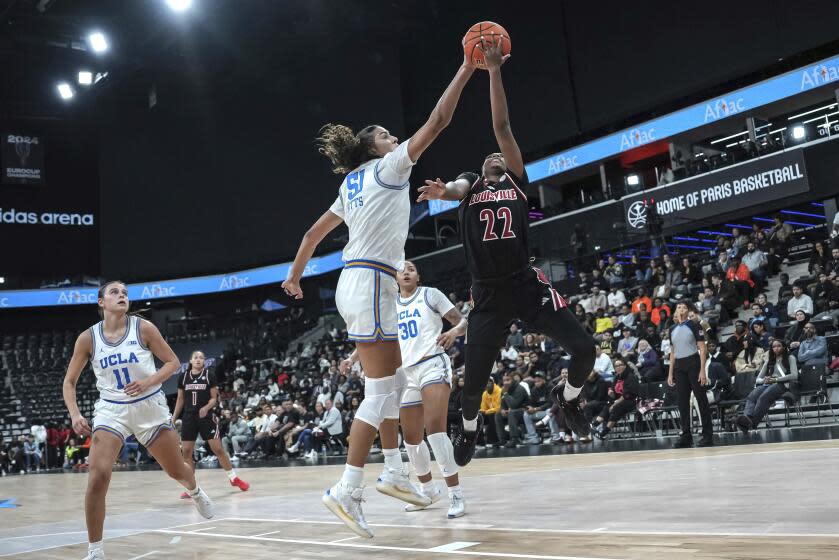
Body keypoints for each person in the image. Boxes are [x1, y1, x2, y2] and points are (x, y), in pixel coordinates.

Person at [280, 42, 475, 537]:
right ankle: (349, 486)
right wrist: (466, 67)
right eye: (388, 135)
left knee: (383, 386)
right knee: (386, 388)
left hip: (355, 282)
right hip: (370, 280)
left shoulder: (350, 184)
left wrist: (295, 277)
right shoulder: (390, 168)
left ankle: (391, 470)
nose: (395, 137)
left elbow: (309, 236)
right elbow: (439, 121)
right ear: (377, 148)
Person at [417, 37, 595, 467]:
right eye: (489, 157)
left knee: (585, 350)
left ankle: (567, 399)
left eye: (501, 156)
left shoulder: (516, 182)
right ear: (480, 169)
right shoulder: (469, 186)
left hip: (526, 283)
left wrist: (494, 71)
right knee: (474, 382)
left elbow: (503, 129)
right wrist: (445, 191)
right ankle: (471, 429)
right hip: (488, 293)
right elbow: (457, 187)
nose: (495, 155)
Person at [62, 281, 213, 560]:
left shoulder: (143, 328)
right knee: (97, 476)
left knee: (177, 470)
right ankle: (95, 551)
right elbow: (69, 382)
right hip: (112, 409)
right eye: (114, 292)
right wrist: (74, 413)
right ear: (101, 303)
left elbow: (171, 362)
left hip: (149, 406)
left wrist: (147, 382)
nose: (122, 296)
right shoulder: (87, 339)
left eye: (125, 293)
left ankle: (195, 490)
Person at [342, 260, 468, 518]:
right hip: (406, 373)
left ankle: (455, 494)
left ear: (417, 275)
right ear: (395, 279)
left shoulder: (430, 294)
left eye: (411, 269)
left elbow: (462, 321)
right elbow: (377, 340)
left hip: (433, 363)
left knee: (434, 431)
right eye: (402, 270)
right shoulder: (390, 306)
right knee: (411, 439)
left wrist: (454, 332)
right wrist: (352, 358)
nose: (406, 272)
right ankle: (428, 490)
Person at [173, 350, 249, 499]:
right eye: (195, 357)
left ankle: (233, 478)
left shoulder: (209, 375)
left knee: (218, 449)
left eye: (201, 357)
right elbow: (180, 399)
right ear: (190, 360)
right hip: (189, 417)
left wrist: (206, 408)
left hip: (206, 417)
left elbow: (214, 398)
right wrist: (174, 417)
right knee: (186, 452)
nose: (198, 359)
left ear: (204, 361)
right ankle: (191, 487)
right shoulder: (183, 377)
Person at [667, 300, 713, 448]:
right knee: (682, 402)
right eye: (678, 307)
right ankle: (686, 436)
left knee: (701, 399)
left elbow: (702, 348)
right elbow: (672, 352)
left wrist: (702, 371)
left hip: (693, 363)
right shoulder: (672, 329)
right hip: (679, 366)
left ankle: (707, 435)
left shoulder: (694, 325)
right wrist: (670, 373)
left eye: (684, 307)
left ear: (688, 311)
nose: (681, 309)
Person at [736, 339, 799, 432]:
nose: (776, 348)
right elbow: (758, 379)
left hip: (784, 384)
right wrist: (764, 380)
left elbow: (794, 375)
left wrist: (776, 379)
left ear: (784, 347)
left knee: (764, 396)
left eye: (778, 346)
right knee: (752, 396)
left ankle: (752, 423)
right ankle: (747, 418)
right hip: (769, 384)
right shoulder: (769, 360)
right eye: (774, 347)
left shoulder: (790, 358)